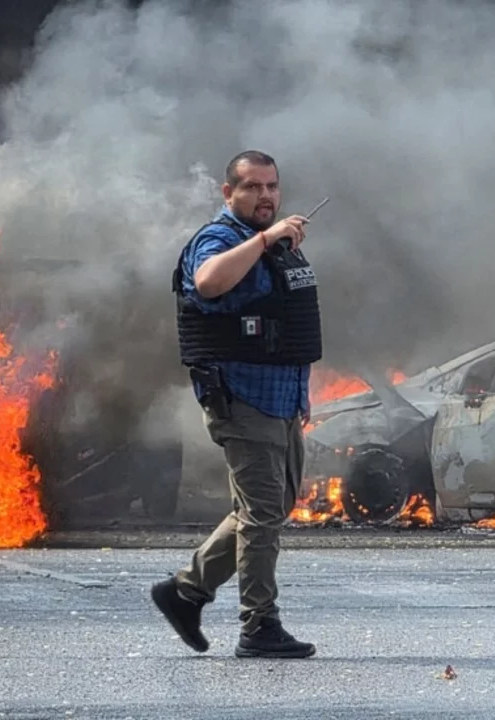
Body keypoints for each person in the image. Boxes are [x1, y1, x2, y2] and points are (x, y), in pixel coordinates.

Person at [151, 149, 319, 659]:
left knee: (268, 507)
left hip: (280, 398)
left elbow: (287, 323)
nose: (265, 196)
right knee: (262, 513)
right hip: (242, 396)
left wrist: (301, 393)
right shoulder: (220, 239)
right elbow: (208, 282)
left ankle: (186, 591)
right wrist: (265, 239)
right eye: (252, 187)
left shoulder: (277, 245)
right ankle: (259, 624)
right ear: (229, 193)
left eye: (271, 186)